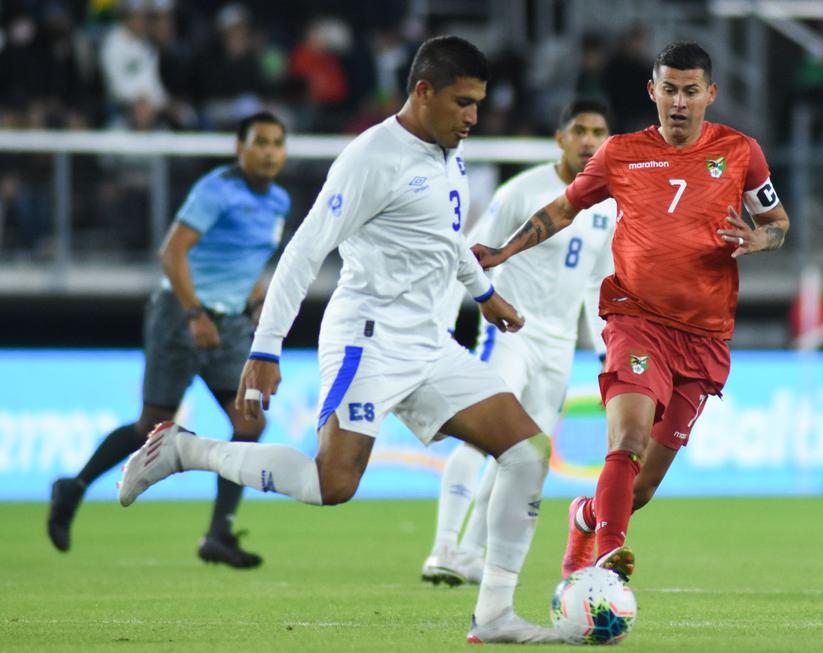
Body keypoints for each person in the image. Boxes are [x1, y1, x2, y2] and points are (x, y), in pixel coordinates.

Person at [117, 36, 560, 645]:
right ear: (423, 92)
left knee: (527, 453)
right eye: (463, 103)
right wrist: (266, 347)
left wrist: (484, 294)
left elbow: (445, 237)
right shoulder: (371, 158)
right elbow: (305, 248)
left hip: (430, 345)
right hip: (368, 340)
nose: (473, 118)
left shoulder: (445, 151)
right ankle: (185, 451)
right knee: (333, 486)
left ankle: (495, 615)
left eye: (478, 104)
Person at [472, 41, 791, 582]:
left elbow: (779, 222)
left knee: (639, 488)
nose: (680, 102)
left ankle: (586, 519)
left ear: (710, 94)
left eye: (691, 91)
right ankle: (605, 560)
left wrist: (762, 239)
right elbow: (564, 207)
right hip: (635, 318)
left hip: (705, 337)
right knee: (627, 440)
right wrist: (502, 251)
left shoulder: (742, 152)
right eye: (669, 89)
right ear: (653, 91)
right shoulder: (620, 153)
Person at [47, 111, 290, 568]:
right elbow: (172, 251)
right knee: (151, 427)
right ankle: (73, 486)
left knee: (251, 423)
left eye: (277, 143)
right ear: (240, 148)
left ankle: (218, 534)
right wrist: (194, 312)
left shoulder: (277, 200)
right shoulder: (216, 190)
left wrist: (257, 300)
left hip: (231, 323)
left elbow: (244, 261)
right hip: (182, 315)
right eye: (260, 142)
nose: (269, 151)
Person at [421, 98, 617, 586]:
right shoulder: (522, 191)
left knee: (527, 452)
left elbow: (598, 283)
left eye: (598, 132)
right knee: (482, 432)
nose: (589, 140)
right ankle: (443, 546)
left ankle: (469, 553)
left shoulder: (608, 207)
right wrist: (444, 328)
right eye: (580, 130)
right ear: (560, 138)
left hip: (557, 350)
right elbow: (471, 257)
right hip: (510, 334)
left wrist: (606, 348)